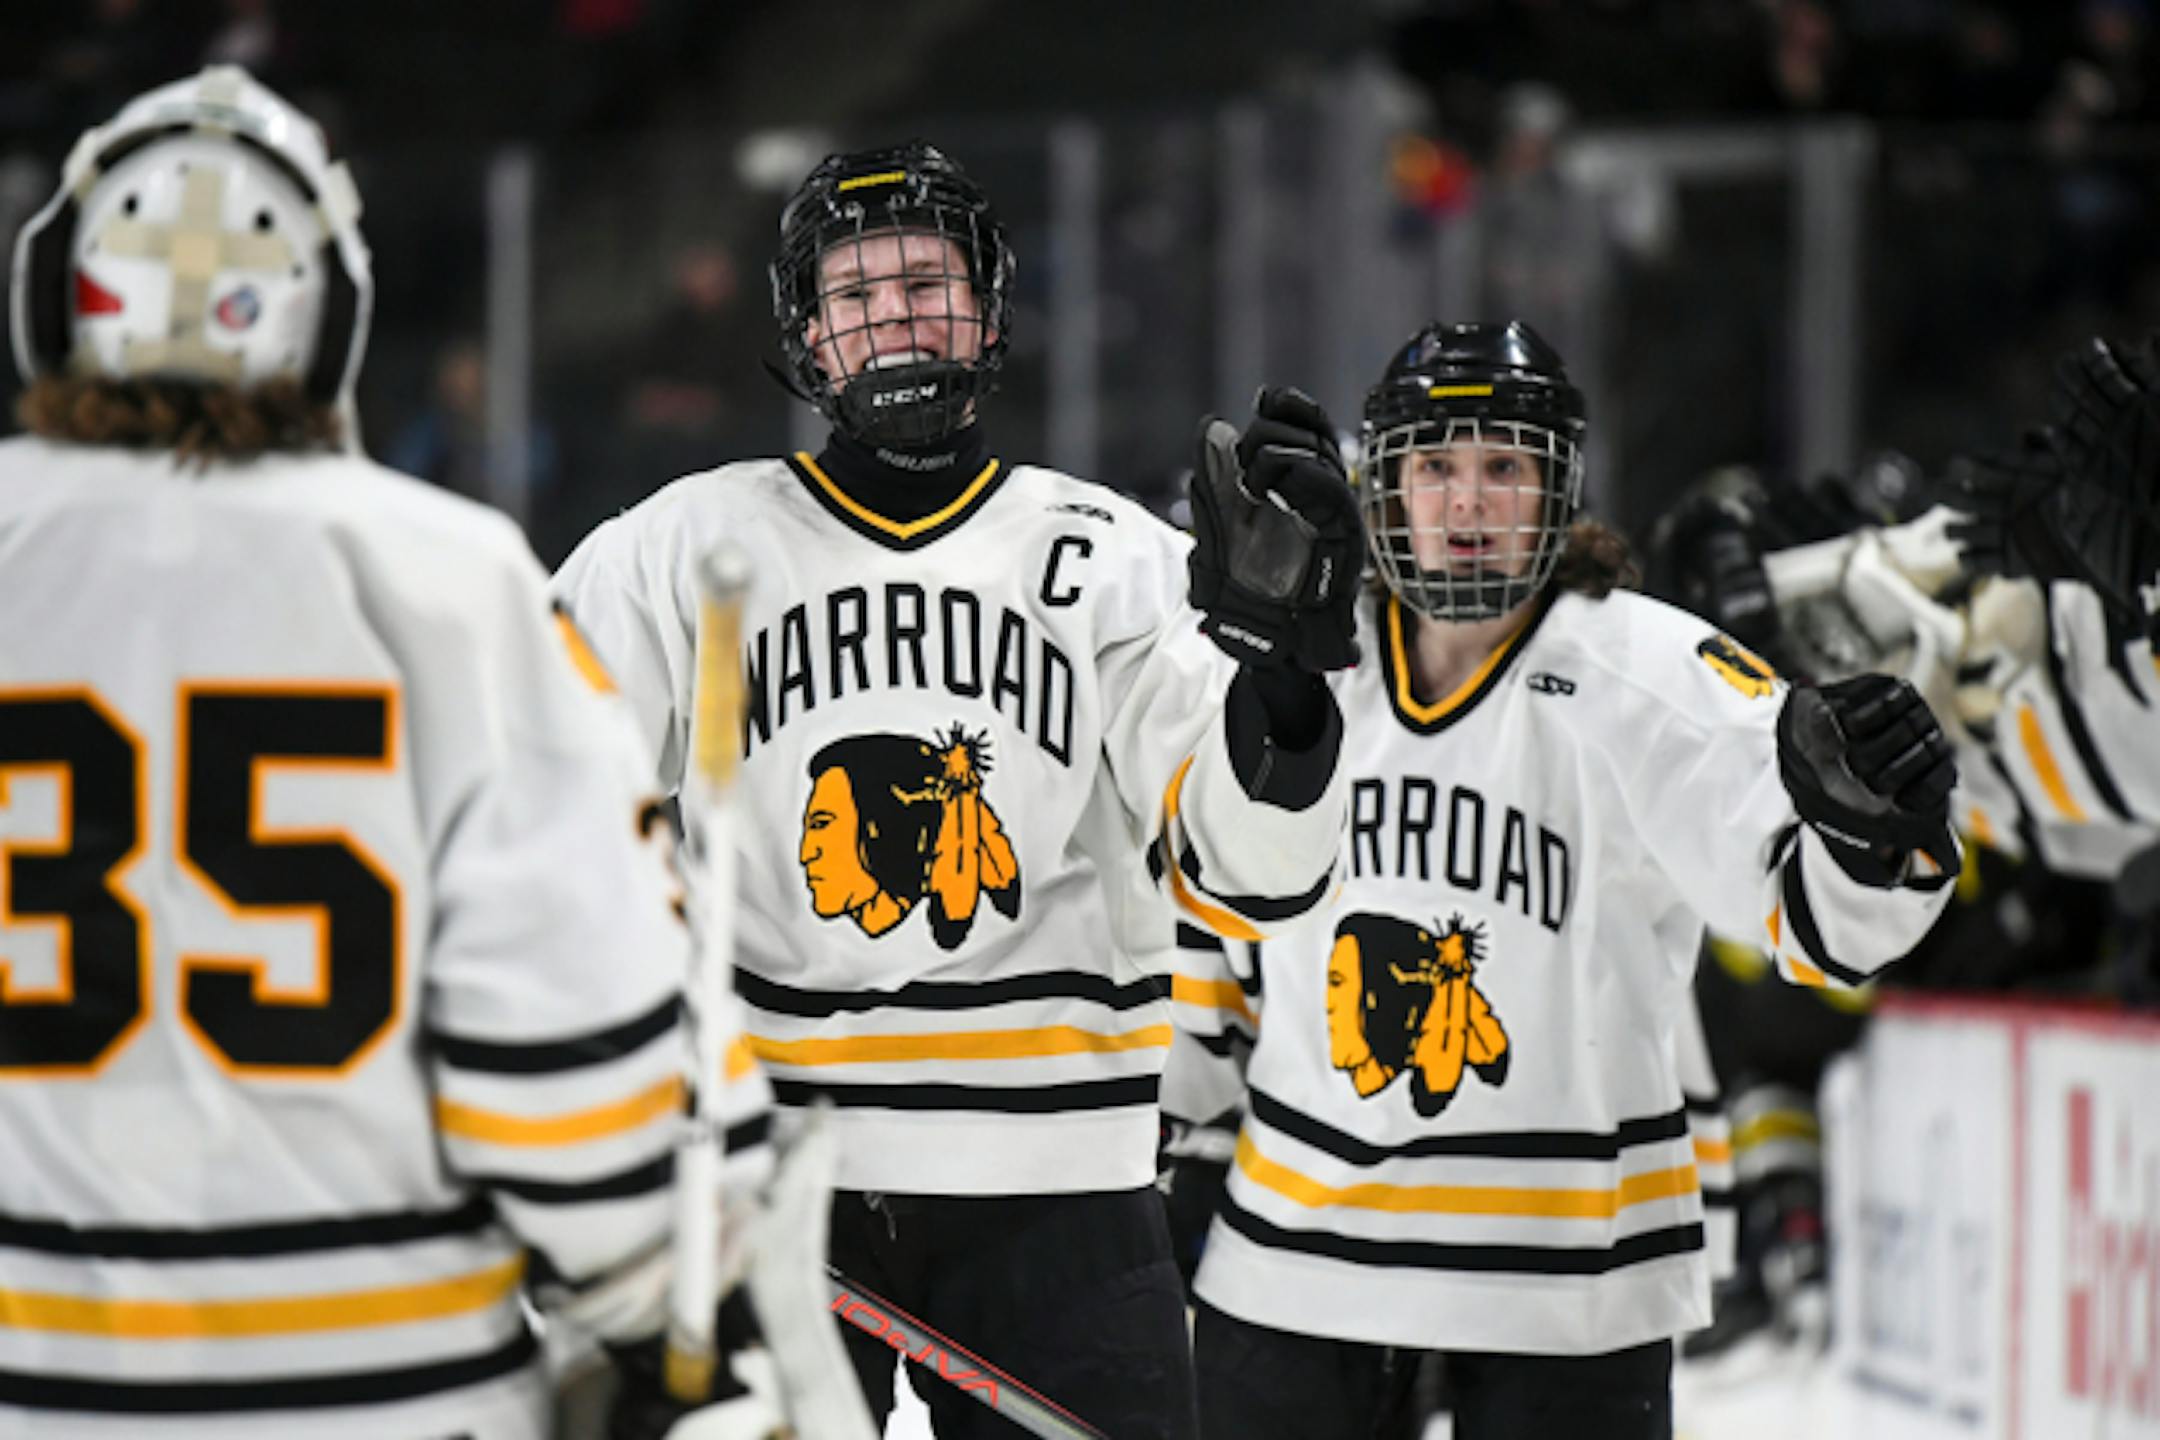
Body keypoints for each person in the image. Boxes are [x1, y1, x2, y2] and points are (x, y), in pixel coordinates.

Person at [0, 66, 770, 1439]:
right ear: (325, 317)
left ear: (56, 296)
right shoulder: (449, 580)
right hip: (393, 1390)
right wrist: (673, 1296)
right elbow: (580, 1080)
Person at [550, 141, 1362, 1439]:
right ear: (804, 335)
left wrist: (1287, 681)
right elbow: (542, 835)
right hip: (768, 1188)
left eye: (925, 284)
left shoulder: (1114, 564)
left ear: (989, 308)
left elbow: (1261, 862)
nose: (896, 320)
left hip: (1061, 1199)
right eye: (857, 295)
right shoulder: (673, 556)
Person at [1175, 321, 1960, 1440]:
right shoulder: (1304, 664)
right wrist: (1177, 1148)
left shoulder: (1649, 670)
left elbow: (1812, 920)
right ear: (1381, 484)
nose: (1468, 503)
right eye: (1435, 467)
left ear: (1559, 489)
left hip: (1568, 1284)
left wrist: (1875, 835)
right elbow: (1208, 920)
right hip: (1297, 1266)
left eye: (1505, 467)